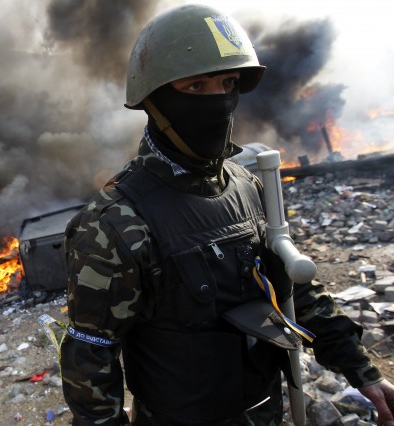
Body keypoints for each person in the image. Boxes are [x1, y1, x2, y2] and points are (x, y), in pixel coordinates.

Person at [59, 3, 394, 425]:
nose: (218, 102)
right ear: (155, 100)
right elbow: (90, 357)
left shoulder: (247, 186)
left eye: (228, 83)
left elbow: (291, 288)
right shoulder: (114, 225)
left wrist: (360, 369)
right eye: (196, 87)